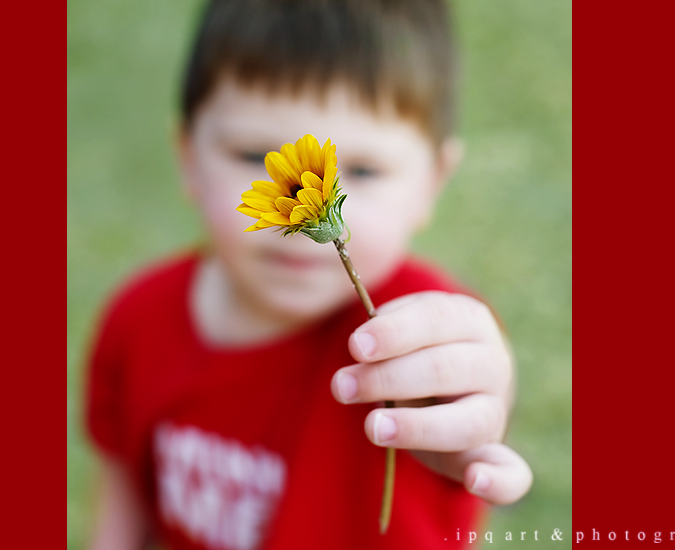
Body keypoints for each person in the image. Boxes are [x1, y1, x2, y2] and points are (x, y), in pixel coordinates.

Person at [84, 1, 533, 549]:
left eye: (364, 170)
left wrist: (480, 410)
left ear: (432, 182)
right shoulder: (140, 318)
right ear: (188, 157)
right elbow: (125, 490)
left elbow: (466, 374)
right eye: (253, 155)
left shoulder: (412, 320)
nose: (295, 204)